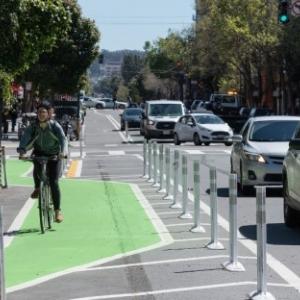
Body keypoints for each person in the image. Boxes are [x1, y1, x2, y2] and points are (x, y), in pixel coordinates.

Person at [17, 101, 66, 223]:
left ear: (49, 113)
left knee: (54, 182)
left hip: (54, 155)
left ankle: (57, 211)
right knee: (36, 165)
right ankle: (37, 188)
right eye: (39, 112)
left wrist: (63, 153)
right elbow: (25, 138)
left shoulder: (55, 126)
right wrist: (22, 151)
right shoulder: (33, 127)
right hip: (39, 153)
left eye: (44, 112)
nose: (41, 114)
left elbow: (63, 139)